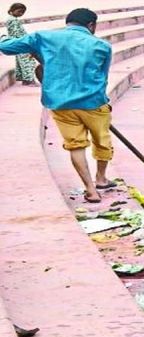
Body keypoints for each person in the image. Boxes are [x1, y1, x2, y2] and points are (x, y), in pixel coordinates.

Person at [0, 8, 114, 203]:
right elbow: (102, 77)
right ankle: (101, 178)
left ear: (68, 23)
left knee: (75, 145)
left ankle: (90, 190)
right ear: (91, 25)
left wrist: (3, 37)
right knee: (103, 142)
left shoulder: (43, 38)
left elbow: (7, 47)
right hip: (94, 103)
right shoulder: (102, 46)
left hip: (61, 104)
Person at [4, 3, 36, 85]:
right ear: (12, 10)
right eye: (19, 11)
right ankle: (29, 80)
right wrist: (25, 42)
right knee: (28, 61)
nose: (21, 14)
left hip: (17, 42)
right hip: (20, 43)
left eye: (23, 12)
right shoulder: (13, 20)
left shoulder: (12, 19)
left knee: (21, 61)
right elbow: (16, 33)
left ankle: (25, 80)